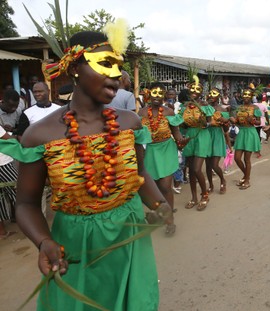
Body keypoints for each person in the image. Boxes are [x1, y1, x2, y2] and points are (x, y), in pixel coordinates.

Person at [0, 29, 172, 310]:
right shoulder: (40, 135)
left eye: (119, 66)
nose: (116, 75)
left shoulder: (130, 123)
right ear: (76, 69)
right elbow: (27, 204)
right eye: (105, 64)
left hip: (129, 239)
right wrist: (44, 241)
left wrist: (159, 205)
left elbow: (139, 176)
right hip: (76, 246)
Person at [139, 83, 186, 235]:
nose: (157, 96)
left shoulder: (169, 112)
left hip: (166, 150)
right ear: (149, 94)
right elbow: (138, 137)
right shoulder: (141, 112)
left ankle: (170, 220)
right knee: (155, 188)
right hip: (149, 152)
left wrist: (181, 141)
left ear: (164, 95)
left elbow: (176, 133)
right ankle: (161, 211)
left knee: (165, 186)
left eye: (160, 93)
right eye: (154, 93)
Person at [180, 78, 214, 210]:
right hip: (190, 136)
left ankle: (204, 195)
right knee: (191, 170)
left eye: (197, 90)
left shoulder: (205, 106)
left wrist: (205, 123)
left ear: (201, 92)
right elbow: (182, 125)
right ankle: (194, 197)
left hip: (202, 136)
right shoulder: (184, 107)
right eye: (192, 89)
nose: (194, 92)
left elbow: (210, 122)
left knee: (196, 169)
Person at [230, 87, 262, 189]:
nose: (246, 97)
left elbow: (259, 122)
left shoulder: (255, 108)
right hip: (242, 132)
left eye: (248, 95)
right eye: (245, 94)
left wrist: (252, 120)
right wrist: (234, 121)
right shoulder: (239, 108)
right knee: (237, 158)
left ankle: (247, 180)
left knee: (246, 159)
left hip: (250, 132)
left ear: (252, 96)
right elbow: (238, 121)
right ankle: (246, 175)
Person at [205, 87, 231, 194]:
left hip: (217, 136)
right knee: (207, 165)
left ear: (218, 97)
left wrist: (224, 122)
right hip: (206, 135)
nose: (211, 96)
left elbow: (226, 129)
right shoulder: (205, 109)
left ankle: (222, 180)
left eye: (214, 94)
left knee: (214, 165)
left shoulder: (222, 110)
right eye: (210, 94)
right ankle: (210, 185)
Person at [0, 125, 18, 239]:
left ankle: (1, 232)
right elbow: (8, 138)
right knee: (20, 192)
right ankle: (32, 223)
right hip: (3, 164)